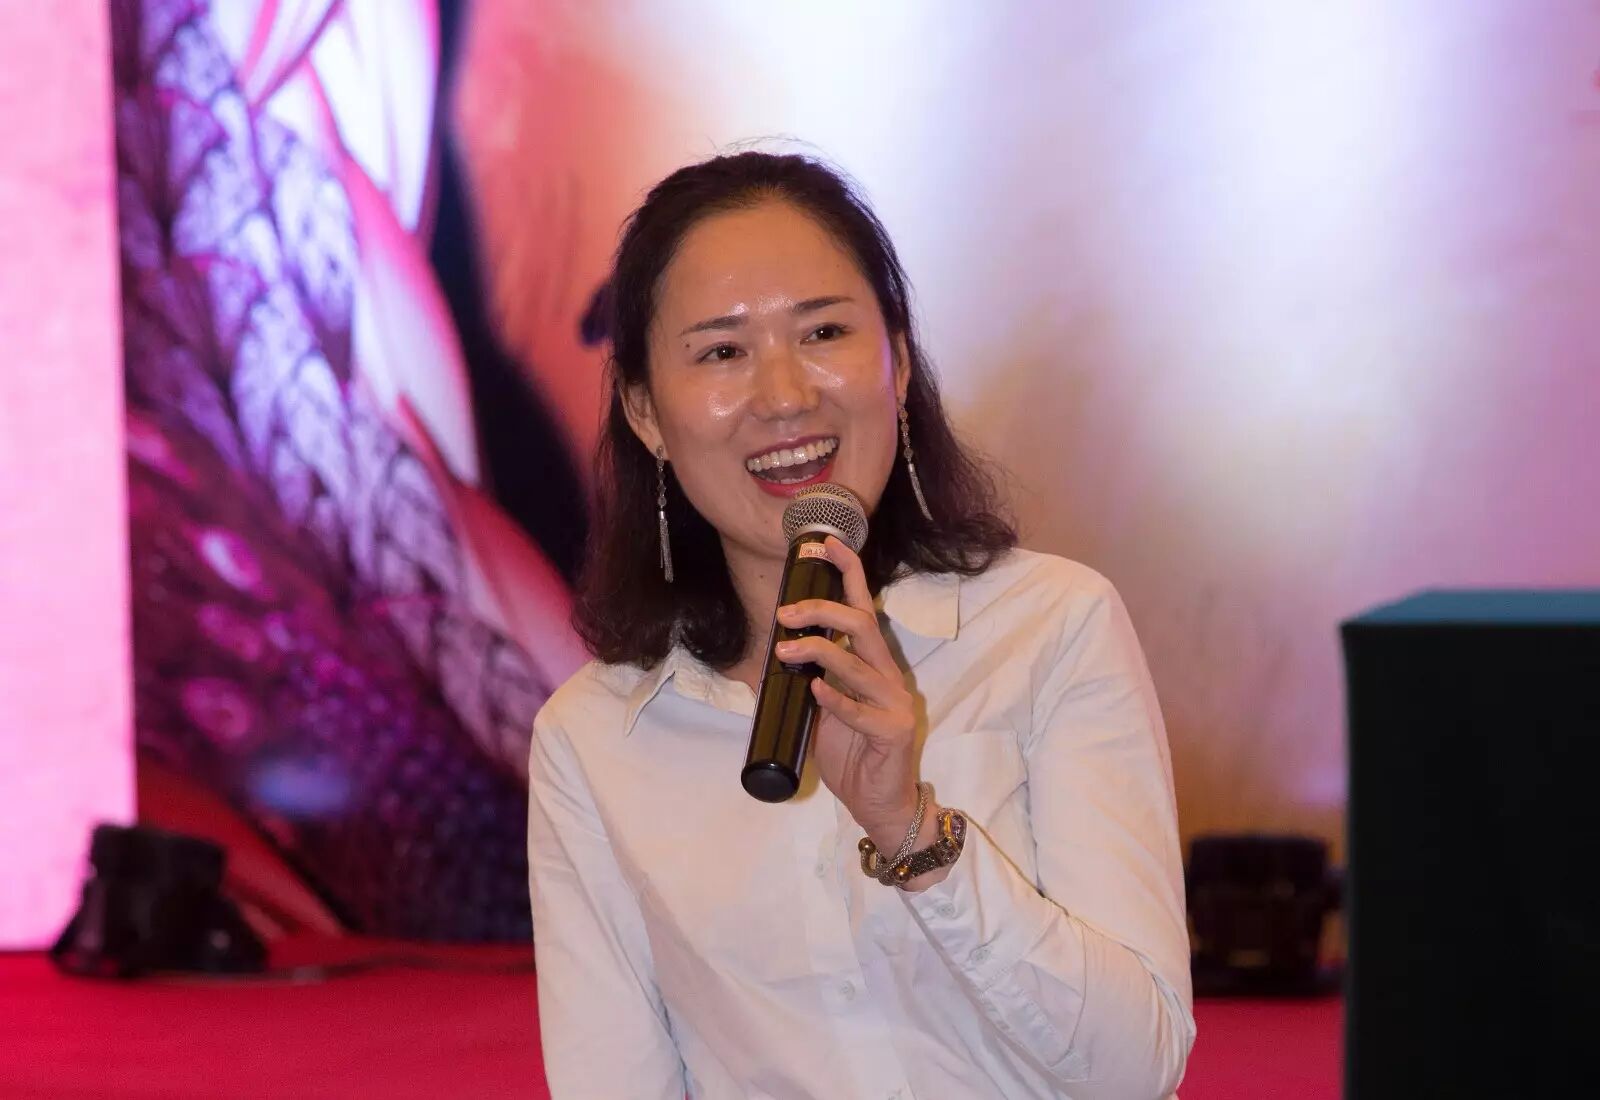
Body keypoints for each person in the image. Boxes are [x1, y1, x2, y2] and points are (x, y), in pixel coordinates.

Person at [527, 151, 1194, 1099]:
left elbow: (1139, 1066)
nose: (785, 396)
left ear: (898, 361)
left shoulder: (1050, 628)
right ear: (645, 412)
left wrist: (911, 831)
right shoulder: (594, 737)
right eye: (722, 352)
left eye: (825, 332)